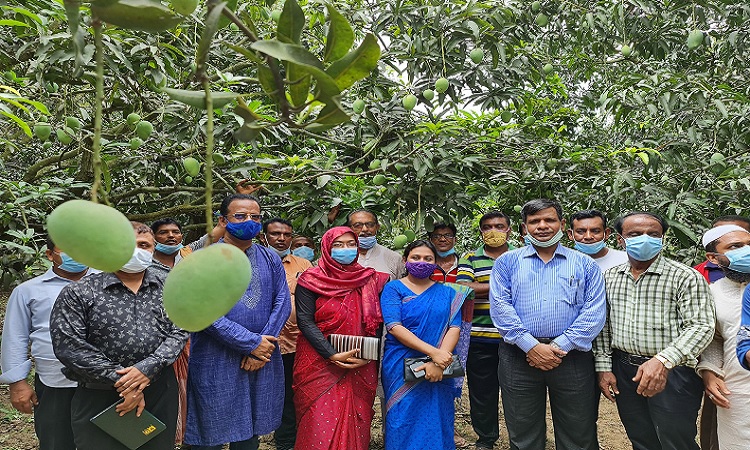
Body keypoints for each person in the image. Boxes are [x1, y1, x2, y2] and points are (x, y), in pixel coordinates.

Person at [50, 222, 188, 450]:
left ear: (153, 249)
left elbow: (181, 329)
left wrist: (147, 368)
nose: (135, 251)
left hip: (159, 391)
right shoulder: (80, 291)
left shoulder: (172, 286)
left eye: (143, 245)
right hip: (99, 394)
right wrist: (125, 383)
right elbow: (69, 346)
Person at [490, 199, 606, 450]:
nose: (542, 226)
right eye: (534, 221)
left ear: (562, 225)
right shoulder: (506, 263)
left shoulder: (586, 264)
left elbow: (594, 311)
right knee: (523, 432)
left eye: (549, 220)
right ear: (524, 228)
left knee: (578, 431)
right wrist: (530, 346)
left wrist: (558, 346)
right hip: (518, 356)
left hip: (571, 356)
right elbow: (500, 307)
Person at [594, 211, 715, 450]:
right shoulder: (609, 277)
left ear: (662, 239)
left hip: (673, 372)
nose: (645, 239)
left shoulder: (685, 277)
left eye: (653, 234)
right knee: (640, 437)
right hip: (625, 368)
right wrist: (604, 367)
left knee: (676, 439)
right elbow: (603, 326)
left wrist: (663, 360)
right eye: (635, 234)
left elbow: (701, 326)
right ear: (621, 240)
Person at [185, 194, 291, 450]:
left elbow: (282, 303)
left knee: (250, 429)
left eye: (255, 217)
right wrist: (250, 343)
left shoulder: (270, 258)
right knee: (209, 427)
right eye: (240, 216)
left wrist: (261, 349)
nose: (249, 222)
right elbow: (202, 311)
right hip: (215, 356)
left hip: (262, 358)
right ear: (223, 220)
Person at [293, 226, 390, 450]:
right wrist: (331, 354)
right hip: (319, 362)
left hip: (360, 362)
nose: (345, 249)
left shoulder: (371, 280)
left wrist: (367, 356)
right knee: (319, 421)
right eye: (338, 245)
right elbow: (305, 321)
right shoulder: (310, 279)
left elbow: (375, 321)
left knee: (358, 420)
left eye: (350, 244)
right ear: (327, 248)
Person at [0, 237, 94, 450]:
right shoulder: (28, 291)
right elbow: (15, 338)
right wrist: (17, 383)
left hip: (104, 383)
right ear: (50, 255)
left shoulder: (109, 282)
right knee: (56, 441)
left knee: (106, 439)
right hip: (55, 382)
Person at [380, 240, 473, 450]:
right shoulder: (393, 288)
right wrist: (434, 354)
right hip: (400, 363)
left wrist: (440, 361)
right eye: (416, 257)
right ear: (405, 260)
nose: (421, 262)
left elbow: (454, 327)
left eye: (428, 259)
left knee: (438, 415)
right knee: (402, 417)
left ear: (435, 263)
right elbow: (394, 326)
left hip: (442, 362)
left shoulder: (449, 292)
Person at [456, 210, 514, 450]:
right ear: (480, 231)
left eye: (499, 226)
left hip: (514, 339)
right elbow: (463, 289)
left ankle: (521, 439)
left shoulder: (520, 256)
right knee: (482, 393)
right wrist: (505, 285)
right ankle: (486, 439)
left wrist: (484, 287)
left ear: (509, 230)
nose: (494, 231)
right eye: (488, 226)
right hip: (479, 338)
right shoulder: (470, 257)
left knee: (517, 394)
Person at [694, 216, 750, 450]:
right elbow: (714, 339)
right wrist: (709, 371)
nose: (746, 251)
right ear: (713, 258)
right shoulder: (710, 293)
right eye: (735, 247)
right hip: (735, 391)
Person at [262, 217, 313, 450]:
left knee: (290, 394)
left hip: (295, 343)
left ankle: (287, 441)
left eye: (286, 235)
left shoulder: (304, 265)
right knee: (263, 392)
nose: (281, 239)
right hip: (261, 342)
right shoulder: (253, 262)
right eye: (275, 234)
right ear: (264, 236)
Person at [149, 217, 193, 447]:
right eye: (164, 232)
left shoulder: (189, 259)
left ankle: (187, 437)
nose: (170, 236)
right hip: (158, 341)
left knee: (188, 391)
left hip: (190, 338)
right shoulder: (144, 266)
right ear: (154, 238)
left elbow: (215, 235)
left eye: (175, 231)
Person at [347, 209, 405, 280]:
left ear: (377, 227)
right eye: (358, 225)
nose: (365, 229)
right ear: (349, 229)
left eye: (370, 225)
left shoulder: (394, 258)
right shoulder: (341, 258)